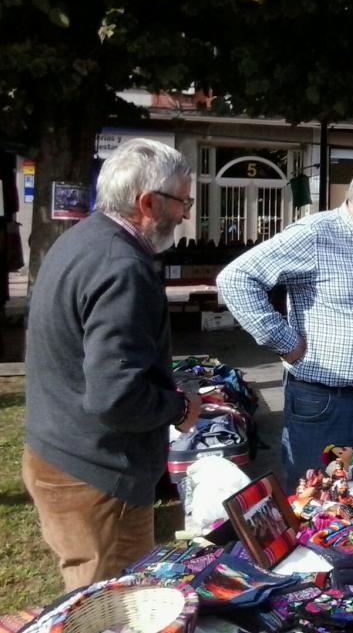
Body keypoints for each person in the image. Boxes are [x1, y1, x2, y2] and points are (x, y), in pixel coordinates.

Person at [23, 138, 201, 591]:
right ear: (147, 202)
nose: (185, 215)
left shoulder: (84, 238)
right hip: (97, 474)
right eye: (184, 202)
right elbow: (115, 396)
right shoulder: (123, 265)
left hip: (61, 452)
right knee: (113, 608)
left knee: (89, 595)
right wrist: (179, 409)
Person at [217, 159, 353, 488]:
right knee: (318, 497)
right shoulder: (314, 235)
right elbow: (236, 279)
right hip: (325, 404)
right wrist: (284, 341)